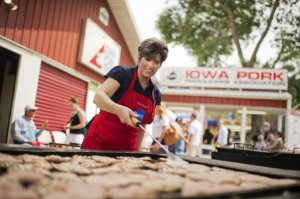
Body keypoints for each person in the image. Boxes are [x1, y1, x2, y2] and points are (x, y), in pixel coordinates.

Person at [82, 38, 168, 151]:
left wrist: (136, 152)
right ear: (139, 58)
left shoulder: (154, 93)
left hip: (127, 149)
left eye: (156, 62)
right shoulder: (122, 74)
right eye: (148, 59)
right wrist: (118, 109)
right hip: (98, 142)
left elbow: (143, 126)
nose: (151, 65)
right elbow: (98, 97)